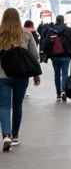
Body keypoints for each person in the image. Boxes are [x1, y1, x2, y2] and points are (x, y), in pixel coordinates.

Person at [0, 9, 40, 150]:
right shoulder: (26, 33)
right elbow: (34, 55)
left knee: (4, 106)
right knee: (17, 105)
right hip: (22, 75)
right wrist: (36, 74)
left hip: (2, 76)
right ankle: (15, 136)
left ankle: (6, 135)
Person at [41, 15, 71, 102]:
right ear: (63, 20)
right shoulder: (69, 30)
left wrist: (47, 54)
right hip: (66, 55)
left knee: (57, 74)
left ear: (56, 20)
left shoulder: (51, 31)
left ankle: (58, 93)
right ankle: (63, 91)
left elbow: (46, 44)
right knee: (64, 74)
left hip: (55, 56)